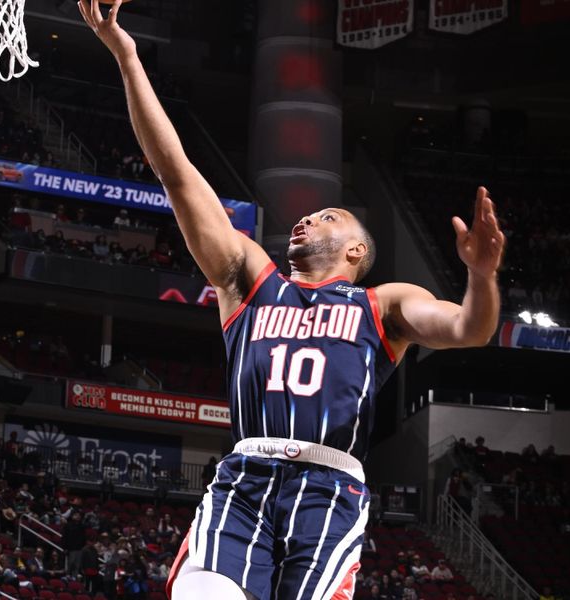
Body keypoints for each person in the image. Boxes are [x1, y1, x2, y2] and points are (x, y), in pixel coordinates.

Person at [80, 2, 504, 599]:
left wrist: (481, 276)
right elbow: (175, 172)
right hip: (246, 475)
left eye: (325, 215)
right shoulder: (248, 279)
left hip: (328, 489)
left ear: (356, 251)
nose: (304, 219)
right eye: (305, 215)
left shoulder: (382, 304)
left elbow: (469, 329)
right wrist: (126, 54)